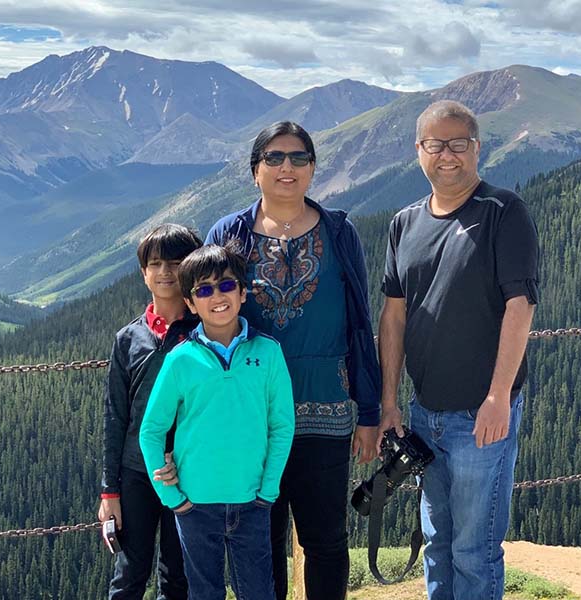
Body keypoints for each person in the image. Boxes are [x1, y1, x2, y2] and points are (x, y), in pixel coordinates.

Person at [205, 121, 382, 599]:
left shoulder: (339, 232)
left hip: (326, 408)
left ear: (313, 168)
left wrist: (369, 411)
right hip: (251, 415)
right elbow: (207, 326)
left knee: (326, 539)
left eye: (299, 158)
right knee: (259, 540)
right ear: (255, 171)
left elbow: (359, 324)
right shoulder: (229, 233)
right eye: (275, 158)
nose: (288, 167)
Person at [378, 100, 540, 600]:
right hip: (425, 416)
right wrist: (389, 402)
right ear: (418, 151)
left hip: (482, 416)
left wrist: (497, 398)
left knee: (475, 550)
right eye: (435, 144)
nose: (446, 155)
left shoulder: (503, 211)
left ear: (476, 148)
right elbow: (394, 315)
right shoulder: (404, 223)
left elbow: (521, 306)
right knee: (436, 543)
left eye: (458, 144)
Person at [139, 243, 295, 600]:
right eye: (204, 290)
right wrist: (172, 498)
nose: (217, 296)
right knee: (204, 593)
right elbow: (151, 430)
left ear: (243, 293)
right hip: (194, 507)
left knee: (258, 592)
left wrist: (268, 490)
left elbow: (282, 425)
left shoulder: (268, 353)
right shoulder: (180, 360)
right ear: (192, 304)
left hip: (253, 502)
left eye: (226, 285)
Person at [98, 223, 202, 600]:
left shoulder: (205, 334)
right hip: (136, 472)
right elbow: (115, 417)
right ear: (143, 272)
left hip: (189, 473)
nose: (165, 272)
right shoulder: (128, 339)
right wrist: (110, 491)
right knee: (129, 575)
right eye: (155, 263)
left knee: (178, 577)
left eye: (176, 262)